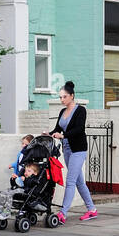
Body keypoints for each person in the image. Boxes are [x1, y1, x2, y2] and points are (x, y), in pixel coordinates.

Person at [49, 81, 96, 223]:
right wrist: (48, 134)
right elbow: (57, 129)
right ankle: (92, 210)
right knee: (79, 182)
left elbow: (79, 129)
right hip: (67, 150)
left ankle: (62, 213)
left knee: (70, 181)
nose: (62, 100)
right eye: (60, 97)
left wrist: (63, 136)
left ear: (72, 96)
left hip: (78, 150)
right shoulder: (62, 112)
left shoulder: (80, 110)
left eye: (64, 97)